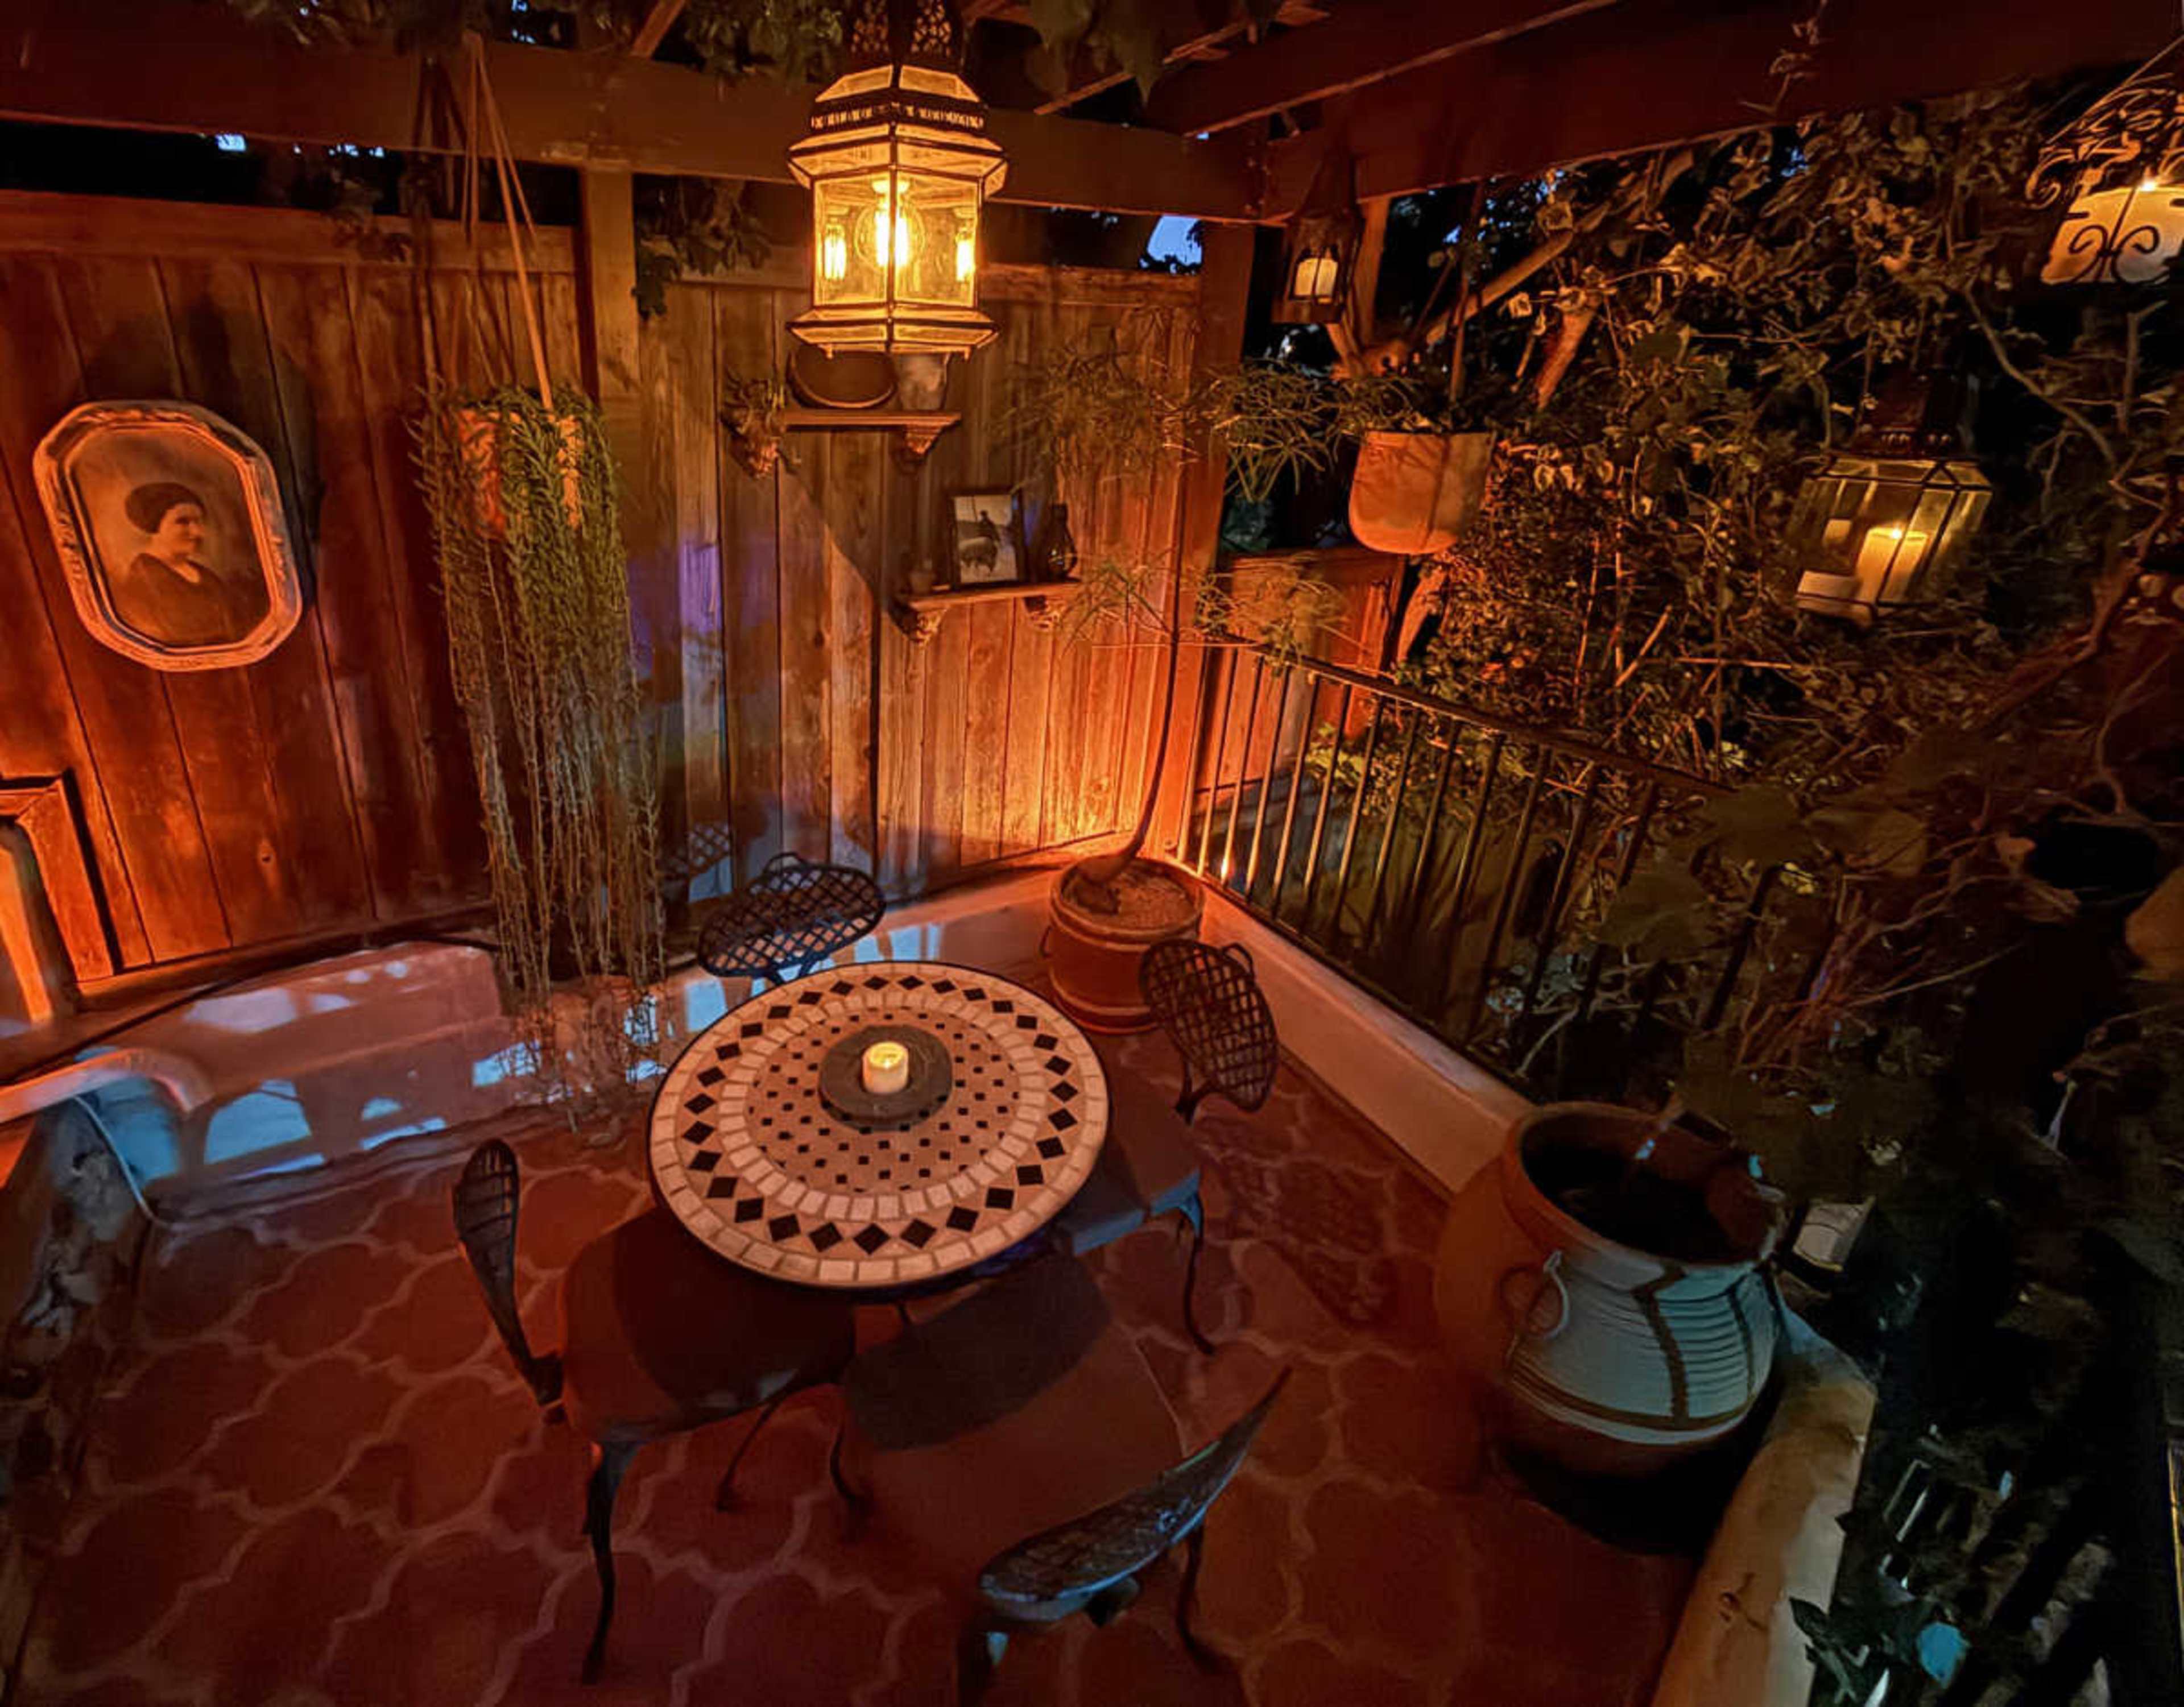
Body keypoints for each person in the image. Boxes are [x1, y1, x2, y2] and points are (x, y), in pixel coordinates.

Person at [107, 480, 268, 648]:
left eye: (199, 522)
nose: (197, 532)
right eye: (183, 522)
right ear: (154, 526)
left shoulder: (206, 576)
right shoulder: (144, 580)